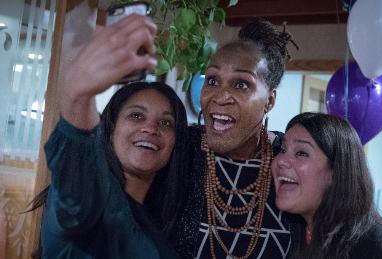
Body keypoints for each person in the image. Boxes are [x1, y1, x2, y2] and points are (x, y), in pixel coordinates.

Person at [37, 14, 188, 258]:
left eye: (165, 122)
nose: (150, 128)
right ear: (110, 128)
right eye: (136, 116)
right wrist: (78, 93)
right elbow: (78, 162)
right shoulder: (91, 199)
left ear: (175, 142)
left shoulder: (157, 222)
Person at [160, 18, 301, 258]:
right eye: (212, 81)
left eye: (241, 85)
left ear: (270, 100)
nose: (220, 96)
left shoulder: (290, 163)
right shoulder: (179, 148)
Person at [271, 112, 382, 259]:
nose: (280, 161)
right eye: (283, 150)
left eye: (301, 153)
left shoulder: (379, 248)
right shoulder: (296, 231)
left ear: (337, 171)